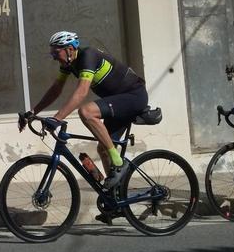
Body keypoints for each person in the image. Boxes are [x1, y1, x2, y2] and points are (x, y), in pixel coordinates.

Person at [20, 31, 149, 199]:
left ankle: (119, 163)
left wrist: (57, 118)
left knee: (87, 112)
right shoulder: (68, 64)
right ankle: (116, 200)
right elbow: (56, 89)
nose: (53, 56)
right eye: (51, 52)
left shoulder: (88, 56)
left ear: (70, 48)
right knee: (103, 149)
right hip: (118, 100)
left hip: (134, 96)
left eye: (56, 52)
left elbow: (81, 93)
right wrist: (32, 112)